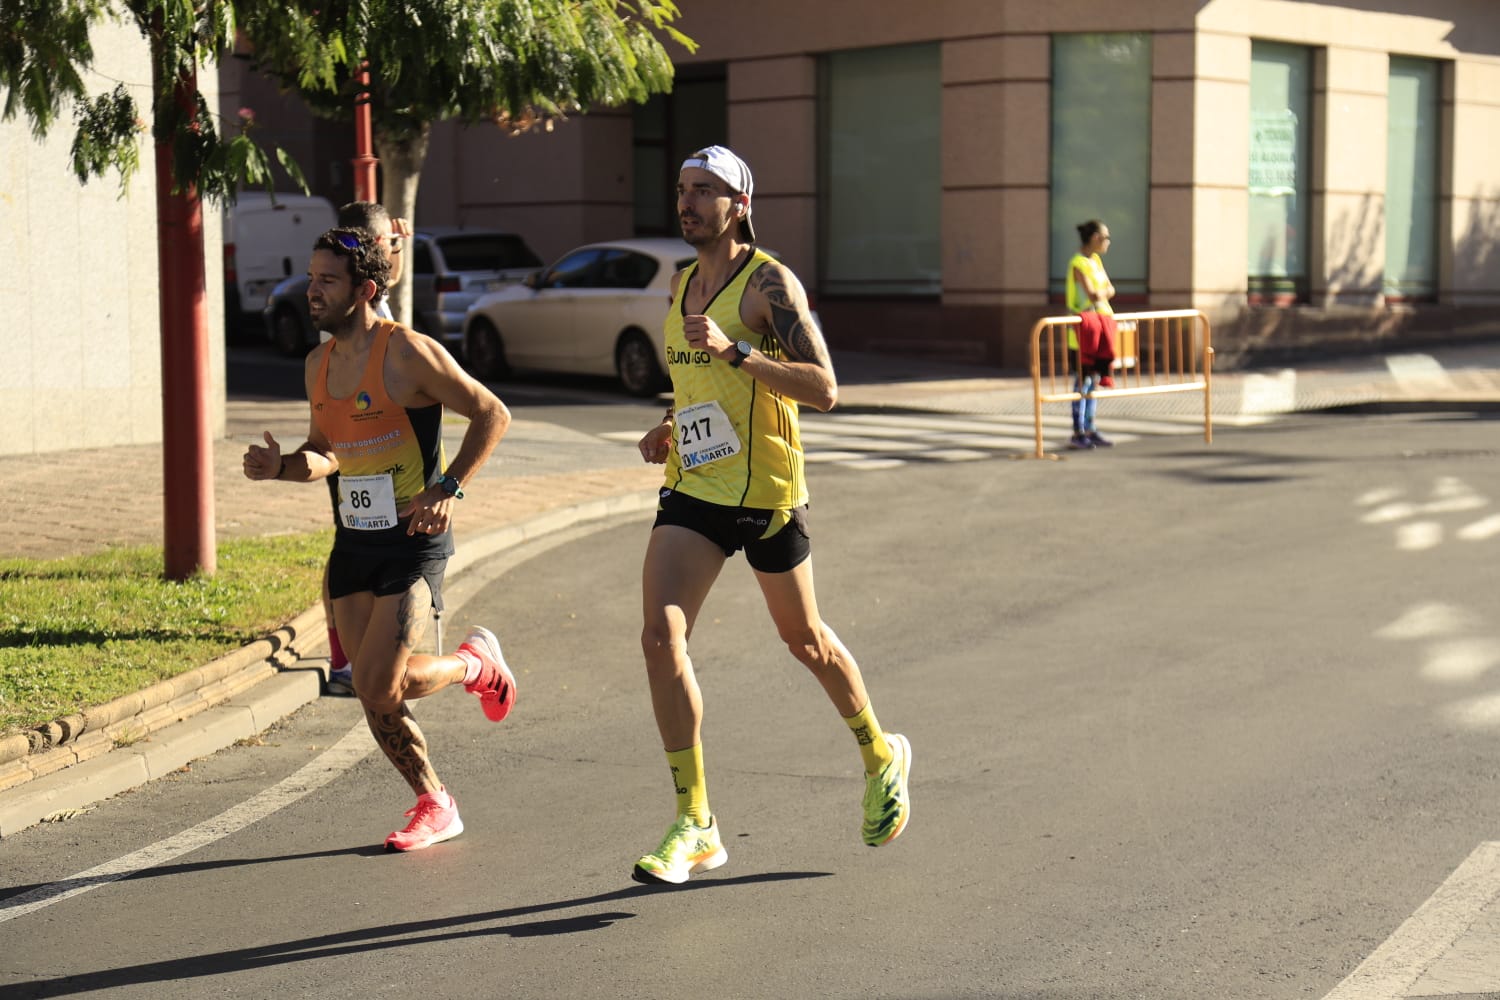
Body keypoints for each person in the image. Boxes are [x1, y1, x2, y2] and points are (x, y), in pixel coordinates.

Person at [631, 145, 912, 885]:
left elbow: (824, 388)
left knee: (806, 641)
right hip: (694, 487)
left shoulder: (769, 284)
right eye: (682, 189)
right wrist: (672, 418)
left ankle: (880, 755)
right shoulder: (682, 280)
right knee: (661, 637)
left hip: (766, 494)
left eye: (705, 192)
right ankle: (696, 821)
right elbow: (696, 375)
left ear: (739, 204)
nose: (688, 203)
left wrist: (738, 351)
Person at [242, 226, 517, 852]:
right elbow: (325, 454)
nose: (311, 291)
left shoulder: (406, 353)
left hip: (413, 541)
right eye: (311, 277)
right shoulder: (316, 364)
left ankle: (474, 665)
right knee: (372, 694)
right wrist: (281, 466)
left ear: (365, 289)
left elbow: (492, 412)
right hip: (353, 543)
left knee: (374, 683)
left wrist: (447, 486)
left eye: (326, 281)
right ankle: (435, 801)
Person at [320, 201, 412, 696]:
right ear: (372, 248)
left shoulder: (367, 290)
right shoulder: (346, 300)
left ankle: (355, 660)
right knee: (348, 550)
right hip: (355, 448)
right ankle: (346, 664)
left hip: (381, 444)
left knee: (358, 548)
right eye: (389, 245)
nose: (394, 253)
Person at [1065, 219, 1118, 450]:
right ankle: (1078, 432)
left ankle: (1090, 428)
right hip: (1083, 331)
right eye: (1106, 237)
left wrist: (1103, 292)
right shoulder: (1078, 263)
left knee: (1093, 382)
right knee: (1082, 381)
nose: (1108, 242)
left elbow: (1110, 290)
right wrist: (1103, 292)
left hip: (1100, 328)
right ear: (1095, 238)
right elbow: (1095, 294)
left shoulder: (1095, 261)